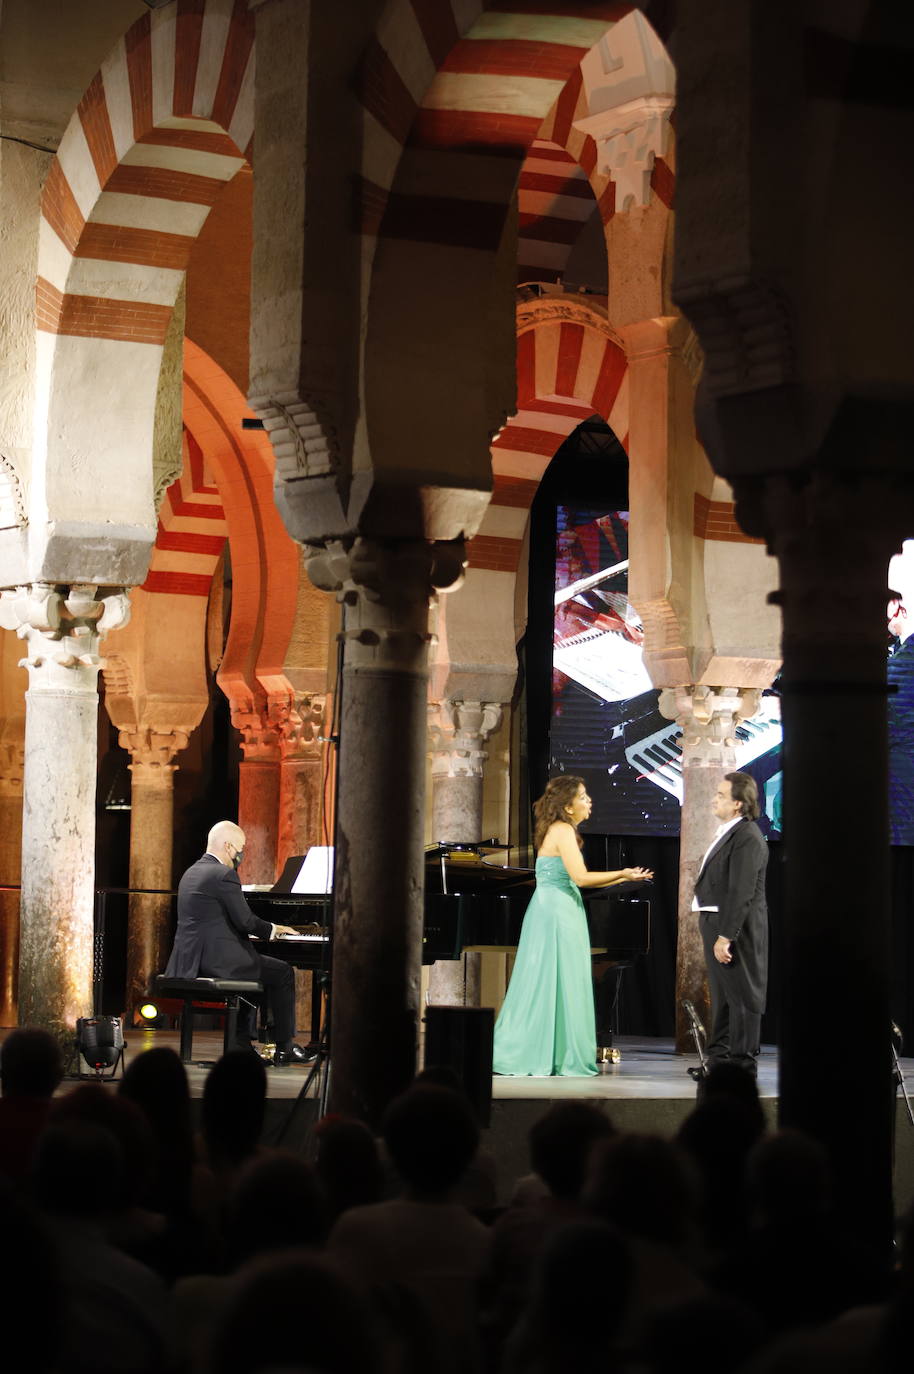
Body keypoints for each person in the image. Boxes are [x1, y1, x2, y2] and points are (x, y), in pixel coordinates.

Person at [492, 776, 652, 1076]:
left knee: (552, 980)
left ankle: (548, 1051)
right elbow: (580, 878)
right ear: (567, 806)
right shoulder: (563, 829)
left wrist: (624, 876)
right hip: (557, 912)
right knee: (555, 978)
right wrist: (623, 874)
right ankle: (549, 1053)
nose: (589, 800)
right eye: (583, 796)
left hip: (555, 907)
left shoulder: (559, 830)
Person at [164, 820, 310, 1066]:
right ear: (229, 846)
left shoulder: (192, 871)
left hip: (188, 961)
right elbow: (246, 922)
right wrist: (274, 929)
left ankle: (243, 1044)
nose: (241, 854)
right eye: (241, 848)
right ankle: (284, 1046)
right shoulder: (224, 874)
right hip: (217, 962)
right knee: (282, 972)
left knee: (256, 966)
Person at [692, 772, 768, 1077]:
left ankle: (742, 1064)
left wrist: (725, 935)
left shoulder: (747, 837)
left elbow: (741, 891)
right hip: (717, 920)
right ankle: (719, 1062)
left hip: (735, 927)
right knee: (724, 997)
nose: (714, 798)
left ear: (737, 803)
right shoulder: (731, 833)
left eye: (721, 795)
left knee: (742, 996)